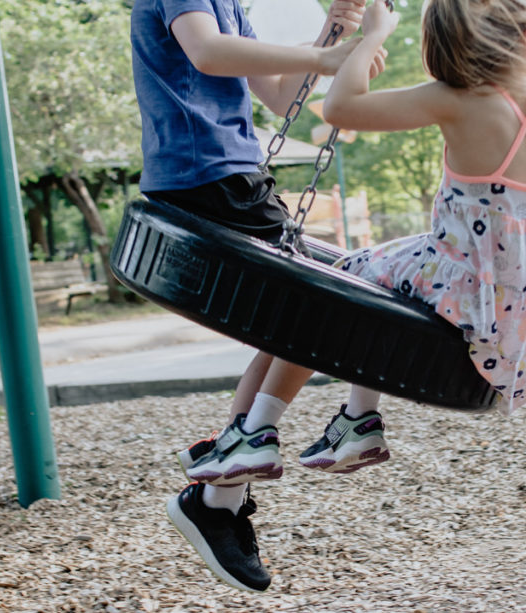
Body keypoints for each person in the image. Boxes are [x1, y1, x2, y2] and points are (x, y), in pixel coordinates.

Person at [130, 0, 388, 593]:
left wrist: (338, 32)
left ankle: (222, 495)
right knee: (323, 308)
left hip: (231, 177)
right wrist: (325, 54)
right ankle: (224, 493)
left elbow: (278, 98)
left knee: (295, 326)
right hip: (208, 178)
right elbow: (206, 52)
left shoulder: (231, 6)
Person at [318, 0, 526, 419]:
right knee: (382, 267)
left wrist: (373, 35)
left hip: (464, 294)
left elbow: (339, 108)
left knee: (347, 273)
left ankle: (341, 420)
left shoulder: (456, 102)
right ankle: (355, 421)